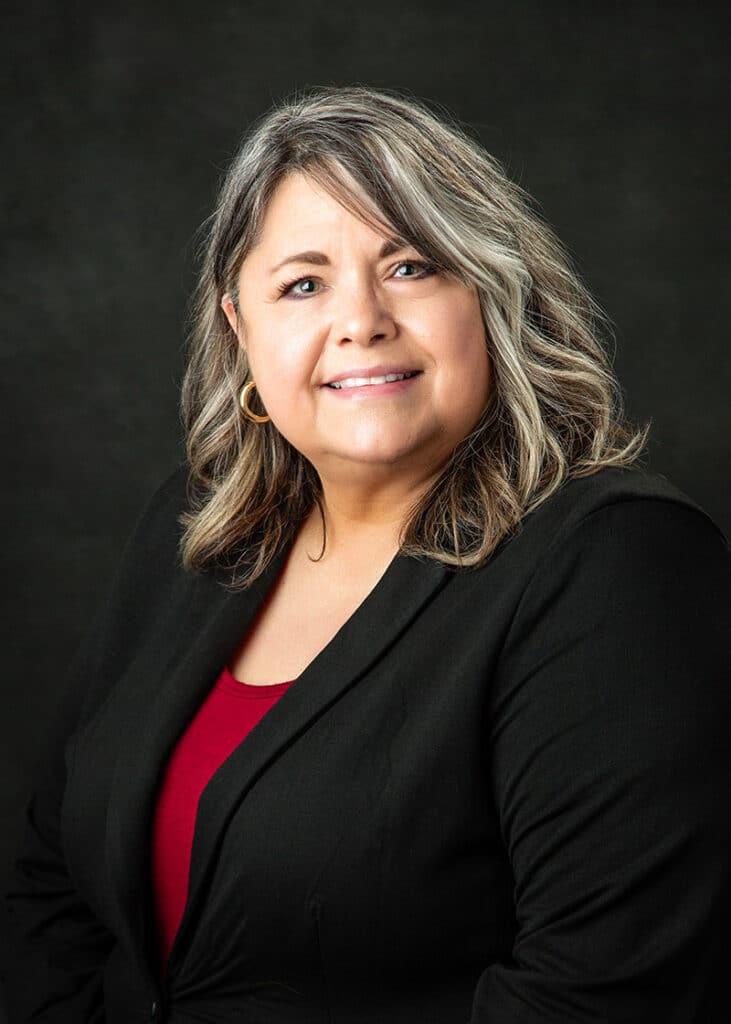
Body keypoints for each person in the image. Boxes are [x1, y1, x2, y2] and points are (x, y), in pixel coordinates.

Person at [4, 85, 729, 1023]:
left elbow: (604, 995)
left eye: (412, 267)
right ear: (240, 325)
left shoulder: (616, 563)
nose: (362, 320)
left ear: (493, 292)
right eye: (303, 284)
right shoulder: (197, 531)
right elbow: (49, 883)